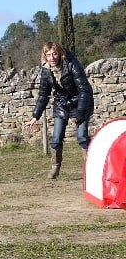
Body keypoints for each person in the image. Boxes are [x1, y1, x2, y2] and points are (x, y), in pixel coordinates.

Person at [24, 41, 94, 179]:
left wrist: (80, 111)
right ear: (45, 56)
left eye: (54, 54)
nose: (52, 57)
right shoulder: (46, 70)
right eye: (48, 55)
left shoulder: (72, 63)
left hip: (81, 101)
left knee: (82, 137)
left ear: (60, 54)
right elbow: (44, 94)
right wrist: (35, 116)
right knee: (56, 138)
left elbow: (84, 89)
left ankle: (91, 167)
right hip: (61, 103)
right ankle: (55, 167)